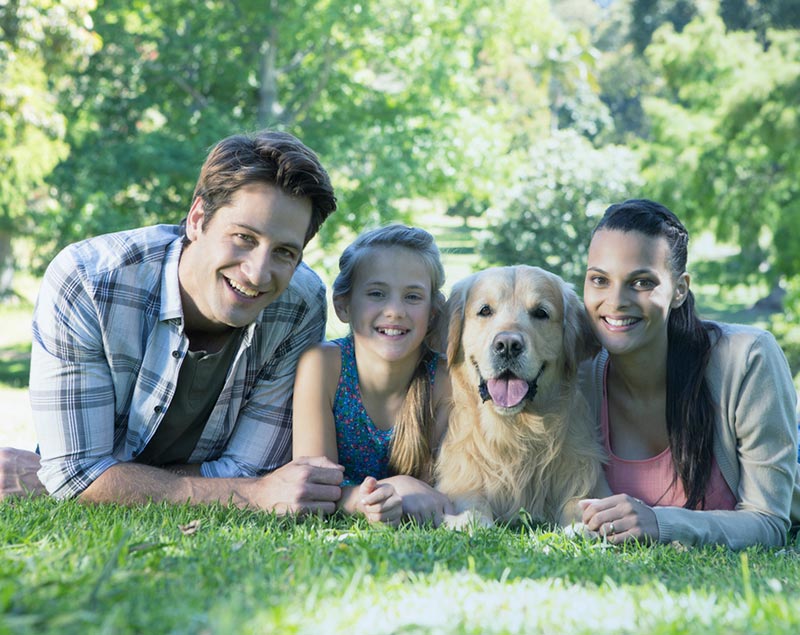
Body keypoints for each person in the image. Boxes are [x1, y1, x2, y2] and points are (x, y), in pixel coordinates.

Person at [1, 129, 346, 513]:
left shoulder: (300, 304)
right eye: (244, 237)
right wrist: (251, 494)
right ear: (197, 219)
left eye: (284, 252)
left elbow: (249, 466)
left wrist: (96, 479)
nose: (258, 274)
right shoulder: (88, 281)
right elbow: (77, 474)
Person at [578, 198, 800, 548]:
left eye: (641, 282)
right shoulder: (578, 375)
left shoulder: (748, 359)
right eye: (599, 280)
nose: (616, 300)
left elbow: (769, 521)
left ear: (680, 289)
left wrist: (660, 522)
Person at [292, 224, 453, 526]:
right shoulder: (323, 366)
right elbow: (314, 485)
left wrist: (405, 494)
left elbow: (440, 492)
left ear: (433, 312)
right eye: (377, 293)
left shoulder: (443, 380)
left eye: (413, 297)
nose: (394, 311)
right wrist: (375, 498)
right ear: (343, 306)